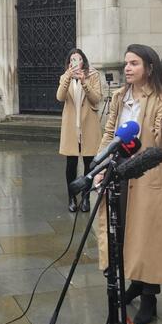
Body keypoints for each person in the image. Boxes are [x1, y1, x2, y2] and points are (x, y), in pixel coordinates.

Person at [93, 44, 162, 324]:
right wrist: (99, 166)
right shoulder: (121, 96)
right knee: (124, 231)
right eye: (126, 63)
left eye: (134, 63)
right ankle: (135, 283)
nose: (127, 68)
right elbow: (110, 131)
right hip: (119, 172)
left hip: (148, 176)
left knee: (147, 237)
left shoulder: (161, 98)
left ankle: (149, 298)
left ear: (149, 68)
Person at [57, 48, 102, 213]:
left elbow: (96, 99)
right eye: (72, 59)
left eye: (79, 59)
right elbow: (60, 97)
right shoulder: (65, 77)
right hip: (71, 126)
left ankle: (85, 198)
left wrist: (84, 81)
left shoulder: (93, 76)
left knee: (89, 163)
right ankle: (71, 197)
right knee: (71, 163)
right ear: (69, 62)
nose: (75, 62)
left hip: (88, 124)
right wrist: (68, 76)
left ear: (84, 61)